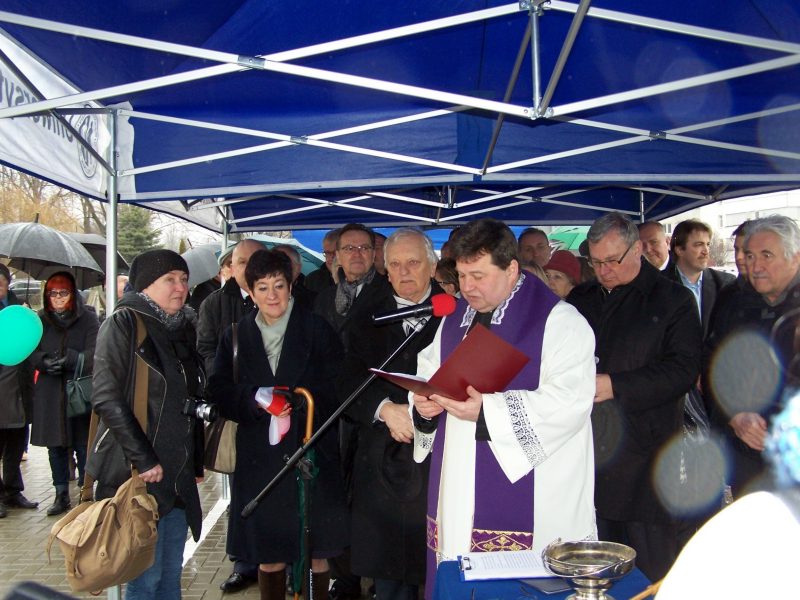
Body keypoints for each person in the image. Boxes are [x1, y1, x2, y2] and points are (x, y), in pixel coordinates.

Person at [412, 218, 596, 599]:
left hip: (537, 497)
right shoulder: (453, 321)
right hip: (458, 494)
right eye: (462, 275)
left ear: (511, 269)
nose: (467, 287)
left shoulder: (560, 323)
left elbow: (570, 403)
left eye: (478, 276)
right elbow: (428, 374)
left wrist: (488, 412)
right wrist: (423, 406)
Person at [567, 212, 702, 581]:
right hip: (589, 452)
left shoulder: (673, 299)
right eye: (595, 262)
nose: (604, 271)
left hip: (647, 456)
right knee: (595, 564)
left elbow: (683, 370)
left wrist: (617, 385)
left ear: (638, 249)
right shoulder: (581, 298)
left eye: (613, 260)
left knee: (649, 567)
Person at [208, 249, 348, 600]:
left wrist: (300, 401)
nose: (272, 295)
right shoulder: (235, 335)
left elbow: (340, 385)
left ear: (291, 286)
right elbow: (219, 390)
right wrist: (255, 398)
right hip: (261, 461)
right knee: (268, 555)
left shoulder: (317, 329)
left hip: (310, 455)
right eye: (263, 287)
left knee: (316, 551)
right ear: (251, 292)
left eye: (279, 285)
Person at [86, 249, 204, 600]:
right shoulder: (124, 323)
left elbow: (188, 398)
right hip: (140, 475)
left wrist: (195, 462)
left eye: (184, 279)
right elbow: (106, 397)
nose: (180, 287)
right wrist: (144, 458)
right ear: (145, 285)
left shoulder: (180, 328)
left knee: (170, 575)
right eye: (170, 279)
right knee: (145, 579)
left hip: (176, 475)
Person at [340, 229, 443, 600]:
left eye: (413, 262)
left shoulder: (457, 312)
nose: (404, 272)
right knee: (388, 575)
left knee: (435, 568)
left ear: (432, 266)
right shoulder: (365, 313)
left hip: (439, 460)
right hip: (381, 461)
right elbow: (344, 377)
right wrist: (383, 409)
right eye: (395, 264)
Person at [704, 215, 800, 498]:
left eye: (766, 255)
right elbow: (711, 367)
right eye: (749, 256)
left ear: (795, 257)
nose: (755, 266)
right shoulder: (732, 301)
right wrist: (734, 415)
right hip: (748, 456)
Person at [196, 238, 263, 593]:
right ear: (230, 267)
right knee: (241, 488)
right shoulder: (214, 304)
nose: (248, 267)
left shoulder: (277, 296)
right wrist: (230, 381)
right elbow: (205, 350)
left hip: (276, 408)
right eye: (241, 261)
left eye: (255, 260)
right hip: (237, 407)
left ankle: (279, 559)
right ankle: (243, 561)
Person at [30, 272, 99, 516]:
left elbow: (95, 352)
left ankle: (86, 490)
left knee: (82, 443)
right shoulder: (40, 320)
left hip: (78, 391)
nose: (58, 298)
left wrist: (72, 359)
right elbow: (30, 350)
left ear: (72, 294)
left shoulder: (88, 318)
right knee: (55, 445)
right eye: (53, 293)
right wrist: (43, 361)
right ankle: (60, 494)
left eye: (63, 293)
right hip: (50, 390)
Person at [0, 264, 37, 516]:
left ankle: (13, 491)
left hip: (19, 385)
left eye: (1, 283)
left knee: (16, 442)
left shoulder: (19, 306)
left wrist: (27, 318)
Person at [663, 219, 735, 337]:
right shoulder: (659, 285)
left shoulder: (725, 283)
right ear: (679, 250)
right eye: (699, 245)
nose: (706, 251)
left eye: (708, 244)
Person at [305, 229, 341, 294]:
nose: (331, 257)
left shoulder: (356, 277)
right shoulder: (312, 280)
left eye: (334, 252)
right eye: (327, 253)